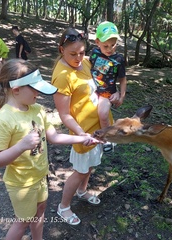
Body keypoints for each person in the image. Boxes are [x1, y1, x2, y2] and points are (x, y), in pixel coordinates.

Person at [0, 59, 100, 239]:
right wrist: (21, 146)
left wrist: (81, 137)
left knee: (40, 210)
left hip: (40, 176)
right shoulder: (3, 120)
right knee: (23, 221)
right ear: (16, 90)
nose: (39, 94)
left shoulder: (38, 109)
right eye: (34, 89)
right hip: (21, 184)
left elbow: (54, 137)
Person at [51, 28, 119, 225]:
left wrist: (115, 95)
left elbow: (101, 85)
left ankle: (82, 191)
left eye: (82, 52)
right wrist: (81, 134)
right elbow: (64, 114)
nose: (79, 58)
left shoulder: (87, 62)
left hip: (99, 128)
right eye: (73, 53)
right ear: (61, 50)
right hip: (83, 132)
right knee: (80, 170)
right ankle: (63, 206)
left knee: (89, 166)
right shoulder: (62, 76)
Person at [90, 21, 127, 152]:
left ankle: (106, 139)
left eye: (113, 45)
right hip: (92, 89)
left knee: (103, 113)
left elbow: (122, 79)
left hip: (106, 93)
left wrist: (121, 95)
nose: (110, 49)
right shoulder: (94, 54)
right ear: (97, 42)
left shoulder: (119, 59)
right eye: (105, 46)